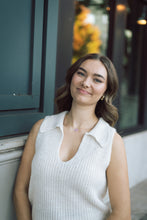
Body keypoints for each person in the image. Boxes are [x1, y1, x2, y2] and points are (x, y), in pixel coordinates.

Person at [13, 53, 131, 220]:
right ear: (71, 78)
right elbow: (20, 190)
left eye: (97, 79)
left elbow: (122, 213)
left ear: (106, 91)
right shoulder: (41, 129)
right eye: (81, 73)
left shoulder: (111, 141)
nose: (86, 82)